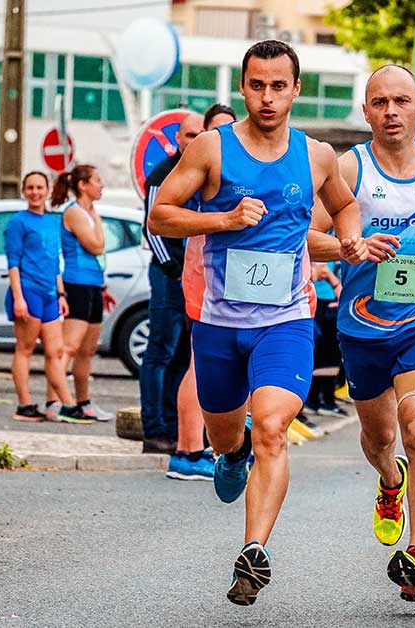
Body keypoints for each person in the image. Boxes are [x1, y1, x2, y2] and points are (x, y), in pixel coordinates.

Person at [149, 39, 369, 606]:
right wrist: (222, 217)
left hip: (287, 320)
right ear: (243, 88)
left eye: (279, 85)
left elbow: (345, 205)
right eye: (256, 85)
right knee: (229, 434)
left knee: (272, 426)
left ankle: (253, 550)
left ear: (296, 89)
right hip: (219, 323)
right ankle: (231, 453)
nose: (267, 96)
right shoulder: (210, 149)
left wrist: (347, 238)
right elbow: (161, 214)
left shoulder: (316, 155)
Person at [306, 63, 415, 603]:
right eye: (380, 102)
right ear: (367, 111)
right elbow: (308, 236)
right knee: (380, 440)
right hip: (363, 324)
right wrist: (352, 247)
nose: (391, 111)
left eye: (402, 101)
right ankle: (390, 481)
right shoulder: (348, 168)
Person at [140, 111, 212, 477]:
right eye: (188, 135)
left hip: (193, 276)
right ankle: (153, 428)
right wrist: (174, 270)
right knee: (160, 351)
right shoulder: (163, 173)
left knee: (184, 355)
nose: (193, 140)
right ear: (176, 138)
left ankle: (173, 425)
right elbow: (153, 228)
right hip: (170, 275)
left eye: (198, 134)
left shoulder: (200, 172)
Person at [4, 172, 86, 423]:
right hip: (28, 292)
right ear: (23, 191)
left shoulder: (52, 222)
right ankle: (24, 405)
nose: (35, 192)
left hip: (51, 294)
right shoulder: (18, 222)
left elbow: (54, 261)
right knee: (25, 349)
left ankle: (67, 404)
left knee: (56, 351)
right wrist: (19, 298)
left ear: (47, 190)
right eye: (29, 187)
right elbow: (13, 264)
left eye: (39, 187)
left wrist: (61, 293)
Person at [48, 164, 117, 426]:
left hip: (93, 284)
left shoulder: (90, 211)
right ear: (82, 185)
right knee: (69, 346)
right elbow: (97, 245)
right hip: (76, 283)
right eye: (97, 181)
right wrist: (96, 222)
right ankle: (56, 401)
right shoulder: (75, 212)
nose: (102, 186)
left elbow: (99, 251)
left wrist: (102, 287)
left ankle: (83, 401)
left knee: (87, 350)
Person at [305, 261, 345, 418]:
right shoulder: (316, 240)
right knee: (320, 353)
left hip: (333, 299)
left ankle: (327, 399)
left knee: (331, 356)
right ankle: (313, 400)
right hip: (320, 301)